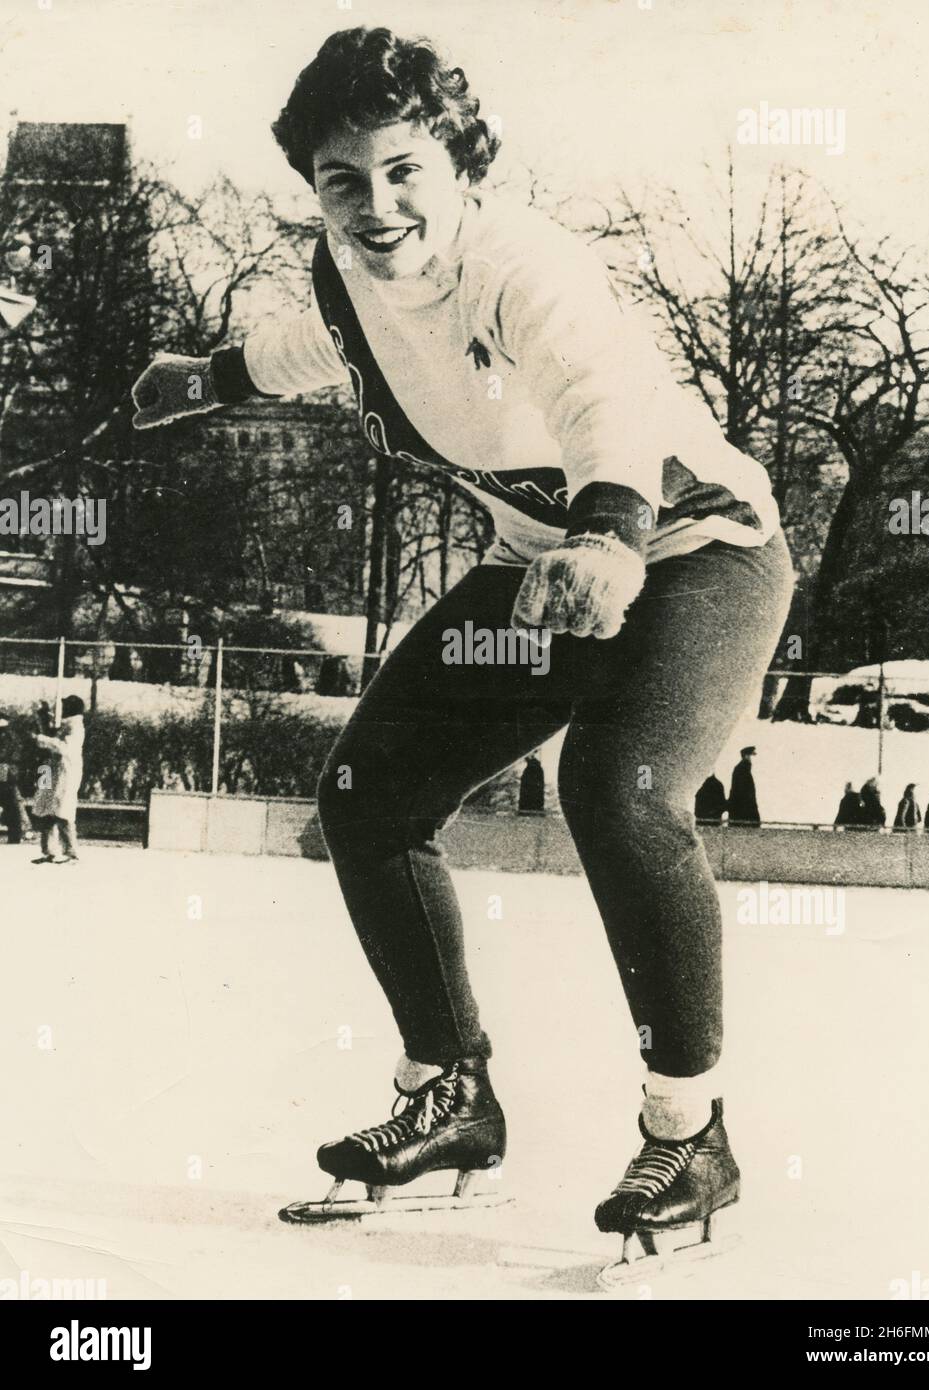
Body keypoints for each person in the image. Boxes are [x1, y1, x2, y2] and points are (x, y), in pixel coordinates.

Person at [130, 26, 793, 1270]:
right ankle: (449, 1095)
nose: (376, 209)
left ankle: (687, 1128)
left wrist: (606, 533)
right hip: (535, 570)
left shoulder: (521, 263)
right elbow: (317, 345)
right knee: (369, 795)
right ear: (314, 189)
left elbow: (600, 393)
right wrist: (211, 376)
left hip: (695, 552)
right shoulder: (346, 276)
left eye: (401, 171)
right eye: (343, 180)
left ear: (459, 163)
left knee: (620, 789)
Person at [31, 695, 86, 864]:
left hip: (65, 772)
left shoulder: (75, 727)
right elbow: (51, 733)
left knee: (63, 812)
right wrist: (42, 716)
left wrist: (40, 739)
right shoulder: (66, 725)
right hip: (52, 770)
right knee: (46, 810)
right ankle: (49, 851)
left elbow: (63, 747)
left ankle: (71, 853)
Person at [0, 715, 33, 845]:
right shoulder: (10, 735)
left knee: (11, 802)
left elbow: (4, 755)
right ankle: (18, 832)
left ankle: (18, 832)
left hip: (4, 770)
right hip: (7, 770)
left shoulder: (6, 736)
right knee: (11, 802)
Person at [727, 746, 760, 825]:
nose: (750, 759)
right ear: (746, 756)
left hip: (740, 807)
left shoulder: (741, 768)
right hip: (744, 808)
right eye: (750, 756)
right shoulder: (743, 769)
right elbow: (743, 790)